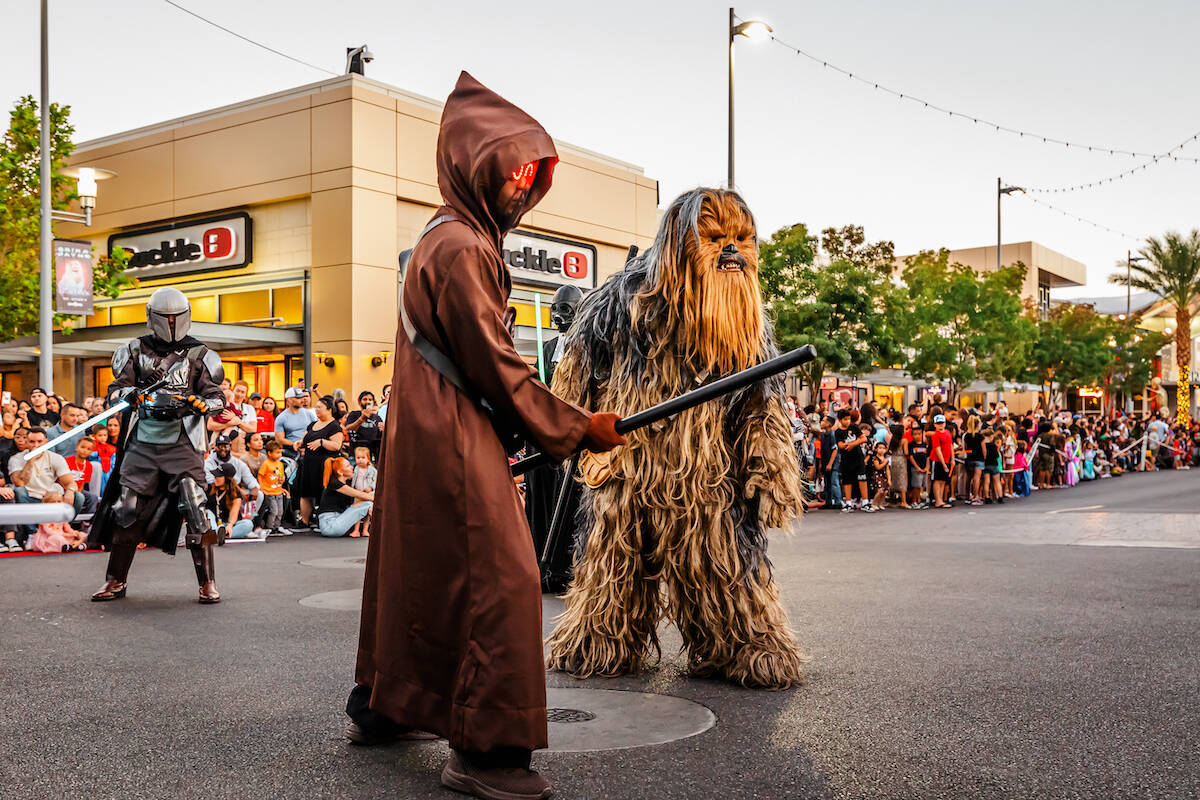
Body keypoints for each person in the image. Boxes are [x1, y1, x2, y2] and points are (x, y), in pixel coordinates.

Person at [348, 72, 623, 800]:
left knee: (424, 570)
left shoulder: (449, 238)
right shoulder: (463, 246)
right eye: (512, 174)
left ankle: (384, 703)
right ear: (476, 165)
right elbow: (496, 367)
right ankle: (488, 749)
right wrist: (576, 427)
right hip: (452, 434)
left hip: (430, 431)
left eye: (530, 177)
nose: (520, 191)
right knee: (504, 578)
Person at [89, 287, 227, 605]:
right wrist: (129, 396)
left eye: (176, 317)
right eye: (165, 317)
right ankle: (115, 580)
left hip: (183, 439)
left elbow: (218, 397)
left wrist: (200, 404)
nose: (171, 322)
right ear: (152, 317)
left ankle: (207, 583)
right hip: (143, 439)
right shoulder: (134, 350)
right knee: (126, 508)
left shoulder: (200, 354)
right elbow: (114, 391)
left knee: (196, 508)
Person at [297, 396, 343, 527]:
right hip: (309, 463)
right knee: (306, 493)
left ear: (329, 409)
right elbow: (304, 440)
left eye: (319, 407)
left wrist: (322, 442)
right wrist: (298, 443)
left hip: (325, 464)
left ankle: (322, 521)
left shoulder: (334, 426)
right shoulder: (312, 424)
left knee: (322, 492)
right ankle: (304, 521)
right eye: (316, 407)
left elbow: (336, 445)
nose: (316, 410)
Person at [317, 456, 374, 537]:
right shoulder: (335, 484)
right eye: (348, 466)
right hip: (330, 525)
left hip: (338, 520)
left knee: (367, 503)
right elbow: (361, 495)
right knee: (368, 504)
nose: (352, 467)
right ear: (340, 472)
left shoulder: (345, 484)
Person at [206, 462, 259, 540]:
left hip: (228, 523)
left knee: (248, 524)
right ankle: (216, 533)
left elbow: (234, 511)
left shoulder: (235, 493)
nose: (215, 477)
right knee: (208, 512)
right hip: (214, 523)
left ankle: (222, 535)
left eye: (218, 476)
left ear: (227, 478)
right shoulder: (210, 488)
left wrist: (230, 525)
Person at [835, 409, 869, 511]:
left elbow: (864, 438)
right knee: (847, 480)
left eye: (849, 419)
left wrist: (852, 444)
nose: (847, 421)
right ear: (840, 420)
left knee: (862, 479)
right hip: (846, 459)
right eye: (845, 419)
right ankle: (848, 502)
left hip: (858, 458)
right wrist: (854, 442)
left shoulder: (854, 427)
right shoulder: (838, 432)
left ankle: (865, 502)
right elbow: (840, 445)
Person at [256, 441, 289, 536]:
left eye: (280, 452)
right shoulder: (266, 464)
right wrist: (261, 487)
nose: (280, 455)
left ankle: (277, 526)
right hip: (269, 491)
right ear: (269, 453)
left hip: (278, 490)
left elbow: (281, 476)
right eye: (277, 452)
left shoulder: (280, 464)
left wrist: (282, 481)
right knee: (273, 511)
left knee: (280, 511)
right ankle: (270, 527)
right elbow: (260, 476)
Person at [274, 387, 315, 460]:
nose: (302, 400)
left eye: (302, 397)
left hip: (310, 448)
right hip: (291, 450)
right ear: (289, 399)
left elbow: (316, 431)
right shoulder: (281, 418)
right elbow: (279, 439)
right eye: (298, 398)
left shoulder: (309, 414)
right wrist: (295, 444)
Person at [344, 391, 382, 461]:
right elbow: (348, 428)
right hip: (356, 455)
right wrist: (361, 418)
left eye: (370, 400)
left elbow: (380, 435)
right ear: (359, 402)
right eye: (365, 399)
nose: (367, 402)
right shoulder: (354, 414)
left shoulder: (377, 417)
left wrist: (383, 429)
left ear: (373, 402)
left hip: (373, 455)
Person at [349, 446, 376, 537]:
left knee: (366, 514)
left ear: (368, 458)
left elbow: (376, 481)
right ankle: (356, 530)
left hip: (367, 494)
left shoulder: (372, 470)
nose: (360, 460)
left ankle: (365, 530)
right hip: (357, 494)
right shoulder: (356, 469)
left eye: (363, 458)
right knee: (357, 512)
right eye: (358, 458)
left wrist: (371, 487)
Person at [929, 414, 954, 508]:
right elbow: (937, 449)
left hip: (947, 459)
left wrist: (952, 459)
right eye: (938, 423)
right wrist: (943, 463)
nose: (940, 425)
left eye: (942, 423)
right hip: (937, 460)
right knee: (937, 480)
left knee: (943, 480)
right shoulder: (935, 435)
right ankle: (938, 500)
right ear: (935, 424)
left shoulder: (947, 432)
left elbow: (950, 445)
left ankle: (941, 499)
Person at [819, 415, 842, 510]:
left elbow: (835, 450)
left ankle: (838, 501)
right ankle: (828, 501)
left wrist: (830, 464)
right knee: (827, 482)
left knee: (834, 481)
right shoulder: (824, 435)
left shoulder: (832, 435)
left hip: (833, 463)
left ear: (829, 424)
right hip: (825, 461)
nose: (821, 423)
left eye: (823, 421)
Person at [905, 423, 930, 508]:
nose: (917, 436)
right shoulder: (911, 445)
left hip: (924, 468)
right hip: (915, 468)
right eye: (915, 434)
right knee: (916, 485)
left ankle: (919, 500)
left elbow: (927, 457)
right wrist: (917, 467)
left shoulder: (924, 445)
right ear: (912, 435)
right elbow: (911, 457)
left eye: (919, 434)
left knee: (922, 486)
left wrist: (927, 467)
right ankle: (914, 501)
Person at [867, 441, 889, 512]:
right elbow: (878, 467)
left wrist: (889, 478)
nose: (882, 450)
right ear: (876, 449)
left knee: (885, 491)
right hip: (877, 475)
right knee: (880, 490)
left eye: (883, 448)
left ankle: (880, 503)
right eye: (880, 448)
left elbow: (888, 469)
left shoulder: (885, 458)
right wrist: (885, 462)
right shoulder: (875, 458)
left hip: (884, 476)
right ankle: (874, 503)